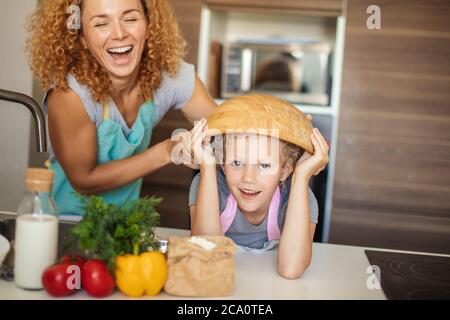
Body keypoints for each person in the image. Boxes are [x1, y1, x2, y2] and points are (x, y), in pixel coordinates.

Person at [26, 0, 216, 216]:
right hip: (67, 225)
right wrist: (166, 151)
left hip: (126, 225)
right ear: (81, 37)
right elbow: (84, 180)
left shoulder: (169, 76)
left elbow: (225, 123)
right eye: (101, 24)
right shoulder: (69, 95)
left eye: (130, 19)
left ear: (148, 24)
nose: (119, 34)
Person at [188, 94, 329, 279]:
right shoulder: (207, 184)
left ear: (285, 171)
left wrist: (301, 178)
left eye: (264, 165)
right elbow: (207, 259)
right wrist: (206, 168)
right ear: (222, 162)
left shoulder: (300, 197)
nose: (248, 178)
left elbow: (291, 269)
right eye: (237, 162)